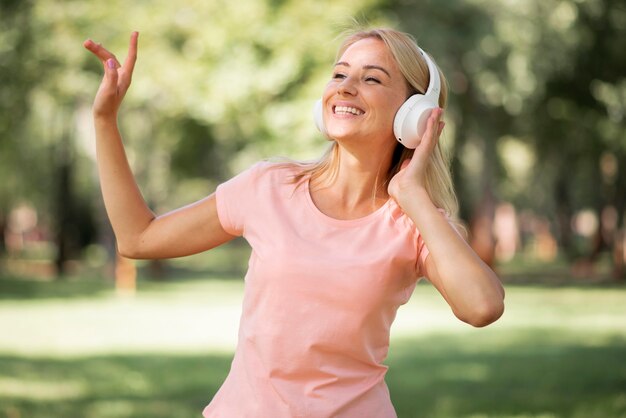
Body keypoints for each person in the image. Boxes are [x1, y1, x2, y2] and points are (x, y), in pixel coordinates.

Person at [84, 26, 504, 418]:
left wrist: (412, 195)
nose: (345, 86)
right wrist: (105, 120)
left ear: (413, 113)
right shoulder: (270, 187)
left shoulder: (415, 222)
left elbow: (482, 307)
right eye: (340, 74)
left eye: (371, 79)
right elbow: (138, 238)